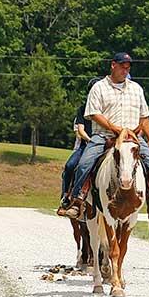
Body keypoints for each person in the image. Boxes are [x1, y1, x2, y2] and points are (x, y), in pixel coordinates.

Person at [57, 52, 149, 224]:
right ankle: (77, 201)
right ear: (113, 65)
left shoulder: (136, 88)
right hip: (104, 136)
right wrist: (114, 128)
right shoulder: (99, 87)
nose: (125, 71)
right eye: (122, 67)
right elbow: (94, 113)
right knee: (84, 163)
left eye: (127, 68)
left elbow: (144, 116)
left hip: (132, 137)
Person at [58, 76, 101, 210]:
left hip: (105, 143)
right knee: (70, 166)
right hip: (87, 145)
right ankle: (66, 195)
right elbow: (81, 131)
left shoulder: (107, 109)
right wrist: (90, 140)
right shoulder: (83, 109)